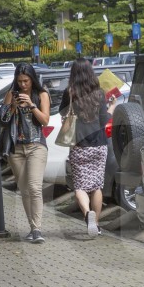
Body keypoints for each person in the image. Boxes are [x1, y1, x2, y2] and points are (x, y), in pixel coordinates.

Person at [59, 59, 111, 237]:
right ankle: (95, 224)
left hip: (79, 146)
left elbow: (62, 113)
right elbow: (104, 121)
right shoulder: (99, 94)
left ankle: (87, 213)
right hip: (99, 145)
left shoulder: (70, 93)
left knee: (80, 186)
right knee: (96, 186)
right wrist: (111, 106)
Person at [2, 63, 50, 243]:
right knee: (24, 190)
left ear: (32, 79)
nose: (22, 85)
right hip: (16, 148)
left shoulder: (42, 94)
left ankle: (37, 229)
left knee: (35, 187)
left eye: (26, 81)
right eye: (19, 81)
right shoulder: (10, 95)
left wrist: (31, 105)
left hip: (36, 145)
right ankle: (32, 227)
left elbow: (45, 121)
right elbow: (4, 120)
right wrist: (13, 106)